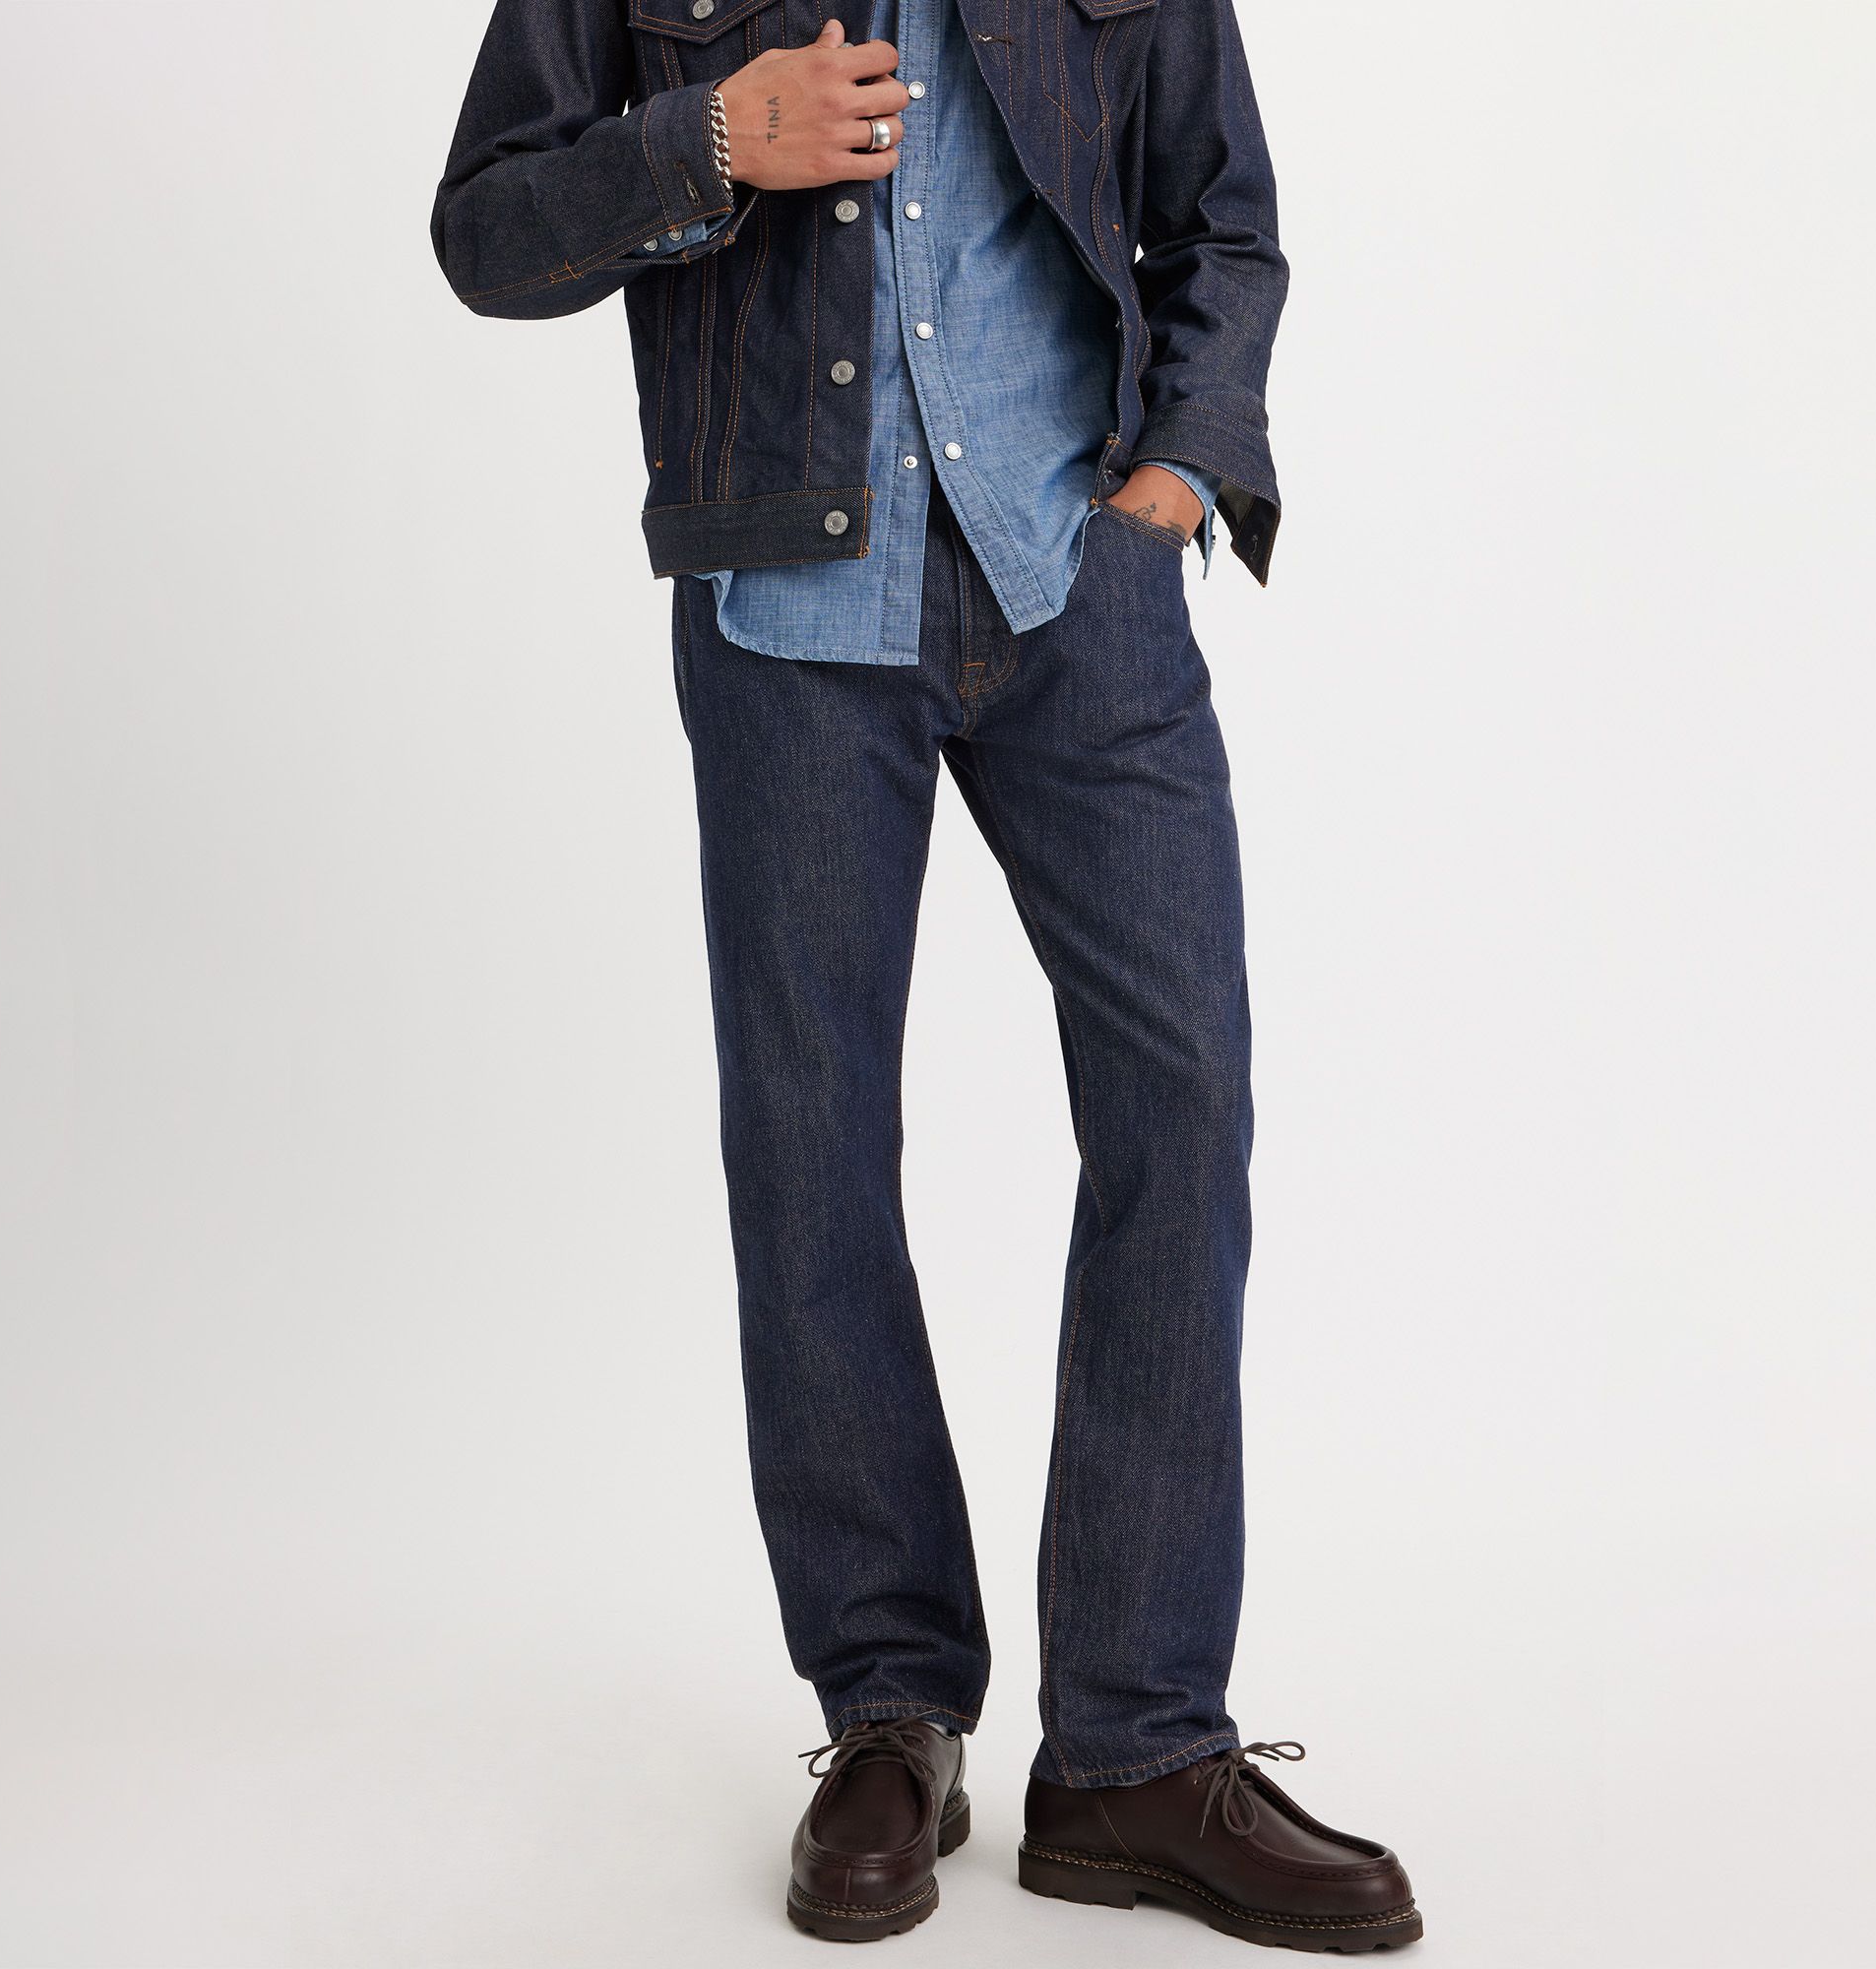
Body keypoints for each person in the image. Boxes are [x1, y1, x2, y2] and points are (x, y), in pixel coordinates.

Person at [434, 0, 1419, 1949]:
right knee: (809, 1155)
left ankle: (1135, 1748)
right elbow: (486, 230)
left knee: (1181, 1107)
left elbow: (1221, 217)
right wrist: (713, 139)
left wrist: (1175, 475)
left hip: (1078, 580)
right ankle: (888, 1708)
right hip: (794, 608)